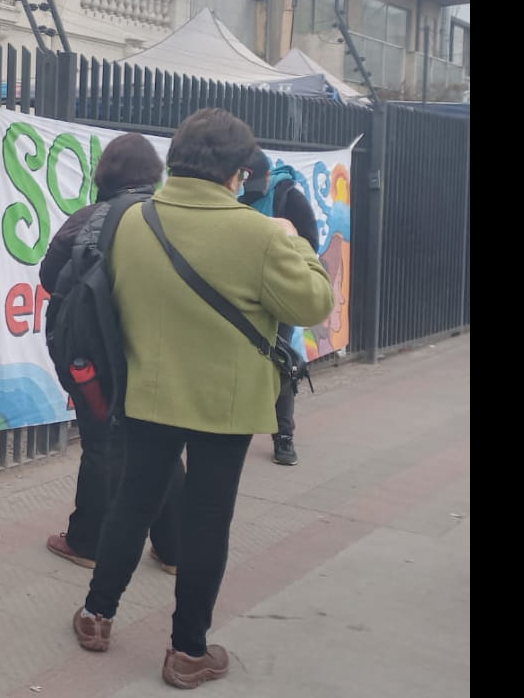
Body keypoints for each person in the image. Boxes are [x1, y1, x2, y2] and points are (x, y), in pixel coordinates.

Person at [70, 109, 334, 690]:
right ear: (238, 173)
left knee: (132, 504)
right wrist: (297, 243)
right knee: (208, 521)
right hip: (227, 403)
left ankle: (96, 615)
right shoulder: (262, 235)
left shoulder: (133, 221)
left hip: (147, 392)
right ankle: (188, 651)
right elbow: (314, 304)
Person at [39, 133, 182, 576]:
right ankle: (175, 549)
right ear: (154, 173)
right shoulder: (173, 218)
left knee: (102, 444)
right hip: (161, 350)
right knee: (161, 443)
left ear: (105, 174)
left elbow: (49, 276)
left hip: (96, 356)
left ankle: (88, 542)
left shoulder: (89, 218)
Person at [238, 150, 319, 466]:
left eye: (252, 182)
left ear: (267, 176)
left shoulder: (288, 197)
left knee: (280, 364)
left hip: (277, 295)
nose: (247, 189)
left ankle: (284, 437)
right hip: (241, 294)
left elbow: (309, 243)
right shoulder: (232, 195)